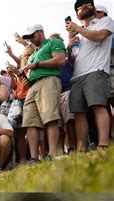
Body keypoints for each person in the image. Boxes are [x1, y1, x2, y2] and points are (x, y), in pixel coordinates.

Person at [66, 0, 114, 150]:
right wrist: (69, 47)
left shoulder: (104, 21)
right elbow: (73, 61)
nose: (84, 7)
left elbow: (100, 36)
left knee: (98, 106)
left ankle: (103, 144)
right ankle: (82, 149)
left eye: (87, 3)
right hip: (78, 75)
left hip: (96, 70)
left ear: (93, 7)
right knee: (79, 112)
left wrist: (78, 29)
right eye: (79, 7)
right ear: (76, 14)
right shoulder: (78, 34)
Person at [20, 24, 66, 161]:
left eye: (32, 36)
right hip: (32, 86)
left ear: (41, 32)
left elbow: (60, 59)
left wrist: (38, 64)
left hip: (49, 80)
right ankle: (34, 158)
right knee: (30, 122)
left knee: (50, 118)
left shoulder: (53, 42)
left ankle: (52, 154)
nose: (31, 40)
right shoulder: (33, 54)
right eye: (28, 38)